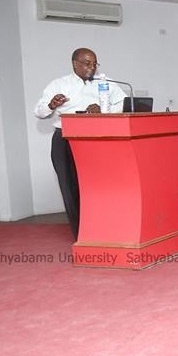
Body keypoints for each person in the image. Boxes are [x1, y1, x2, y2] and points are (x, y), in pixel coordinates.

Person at [33, 48, 126, 238]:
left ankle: (103, 227)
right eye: (87, 63)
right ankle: (81, 234)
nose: (91, 67)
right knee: (70, 186)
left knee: (98, 185)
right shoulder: (59, 84)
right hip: (65, 139)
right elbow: (39, 111)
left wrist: (104, 110)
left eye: (94, 63)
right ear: (75, 63)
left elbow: (125, 102)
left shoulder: (105, 83)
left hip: (96, 140)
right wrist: (52, 105)